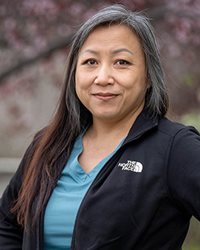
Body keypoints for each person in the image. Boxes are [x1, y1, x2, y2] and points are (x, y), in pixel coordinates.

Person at [0, 4, 200, 250]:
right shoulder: (48, 145)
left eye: (122, 62)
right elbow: (7, 224)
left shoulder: (174, 148)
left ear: (148, 77)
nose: (103, 77)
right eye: (91, 62)